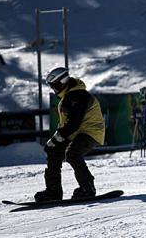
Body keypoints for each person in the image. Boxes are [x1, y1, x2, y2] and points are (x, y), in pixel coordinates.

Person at [34, 67, 105, 201]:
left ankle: (87, 188)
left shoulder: (79, 95)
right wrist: (55, 140)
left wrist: (57, 138)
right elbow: (66, 124)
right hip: (77, 132)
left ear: (62, 83)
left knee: (73, 154)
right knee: (53, 151)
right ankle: (53, 191)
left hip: (91, 132)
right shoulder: (68, 96)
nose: (54, 90)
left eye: (55, 86)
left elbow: (74, 122)